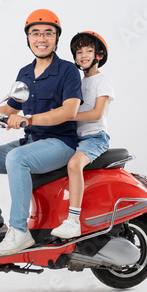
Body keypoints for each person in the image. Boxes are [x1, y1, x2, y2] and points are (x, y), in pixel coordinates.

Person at [0, 9, 83, 255]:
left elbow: (69, 111)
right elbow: (10, 106)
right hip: (31, 141)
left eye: (48, 33)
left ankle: (19, 231)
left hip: (60, 144)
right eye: (35, 33)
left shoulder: (67, 71)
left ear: (56, 38)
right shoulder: (25, 73)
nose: (41, 38)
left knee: (16, 158)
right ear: (28, 38)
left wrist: (27, 120)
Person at [51, 31, 114, 239]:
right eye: (79, 52)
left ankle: (73, 221)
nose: (83, 55)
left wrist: (67, 116)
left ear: (99, 55)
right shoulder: (77, 80)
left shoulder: (102, 80)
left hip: (95, 137)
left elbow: (97, 113)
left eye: (89, 50)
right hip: (76, 137)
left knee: (73, 165)